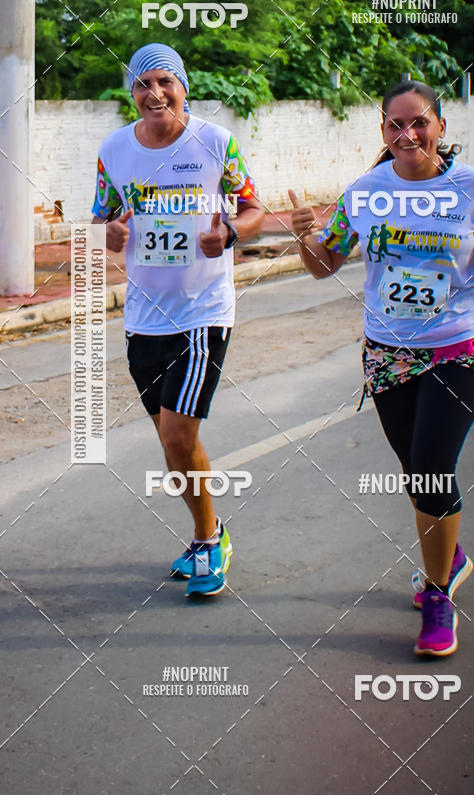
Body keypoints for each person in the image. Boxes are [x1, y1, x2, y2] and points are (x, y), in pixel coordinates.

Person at [289, 80, 474, 657]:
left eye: (419, 123)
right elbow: (324, 264)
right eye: (394, 125)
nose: (407, 134)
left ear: (440, 127)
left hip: (462, 346)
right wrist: (302, 236)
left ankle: (438, 595)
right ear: (382, 132)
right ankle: (452, 557)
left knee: (433, 465)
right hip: (388, 352)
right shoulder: (365, 191)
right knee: (416, 473)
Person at [91, 43, 264, 598]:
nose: (155, 94)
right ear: (131, 93)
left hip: (203, 311)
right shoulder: (114, 150)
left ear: (183, 87)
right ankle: (206, 532)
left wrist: (230, 234)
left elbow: (253, 208)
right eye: (143, 85)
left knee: (177, 432)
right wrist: (111, 233)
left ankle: (211, 545)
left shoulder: (215, 143)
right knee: (172, 446)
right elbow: (103, 217)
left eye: (165, 81)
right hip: (144, 317)